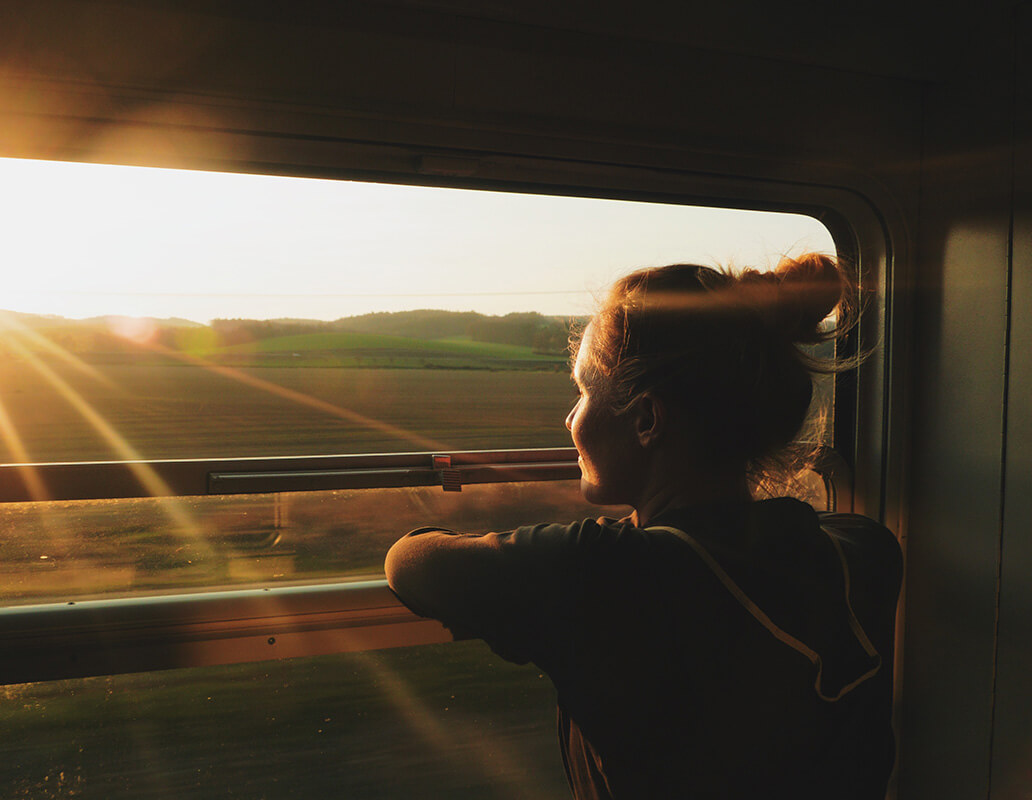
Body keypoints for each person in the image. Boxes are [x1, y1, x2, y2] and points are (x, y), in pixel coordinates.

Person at [384, 254, 902, 799]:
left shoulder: (604, 571)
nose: (569, 419)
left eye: (584, 391)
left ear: (648, 420)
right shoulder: (864, 550)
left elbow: (410, 562)